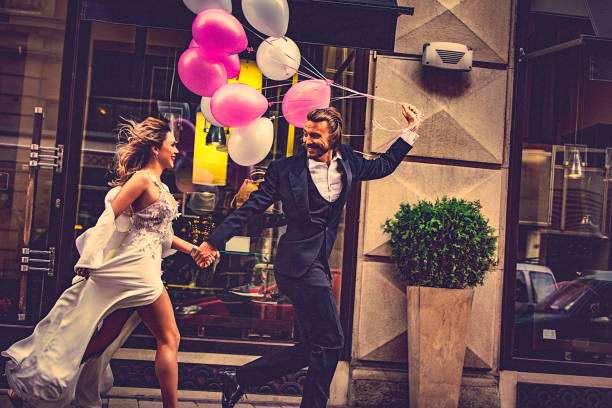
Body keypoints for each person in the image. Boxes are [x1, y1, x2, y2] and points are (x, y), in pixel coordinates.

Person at [194, 103, 421, 408]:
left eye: (315, 136)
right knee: (332, 343)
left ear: (333, 136)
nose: (307, 141)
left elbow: (383, 167)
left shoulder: (349, 162)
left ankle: (239, 378)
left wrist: (411, 131)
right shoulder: (285, 170)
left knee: (312, 346)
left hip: (318, 263)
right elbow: (253, 208)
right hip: (296, 264)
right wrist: (214, 241)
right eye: (305, 135)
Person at [3, 118, 209, 408]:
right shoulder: (142, 180)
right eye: (172, 144)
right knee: (170, 337)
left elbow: (164, 235)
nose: (176, 150)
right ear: (155, 147)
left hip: (145, 268)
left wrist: (194, 249)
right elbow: (109, 216)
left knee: (103, 339)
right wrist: (89, 259)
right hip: (137, 271)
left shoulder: (160, 185)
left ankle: (36, 384)